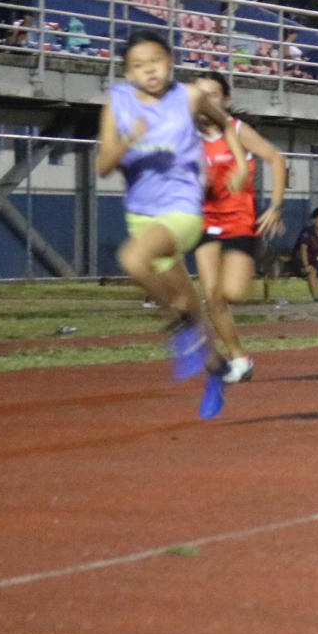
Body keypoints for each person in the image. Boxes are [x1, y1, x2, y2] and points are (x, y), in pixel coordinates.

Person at [95, 30, 247, 419]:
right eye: (139, 66)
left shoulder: (190, 96)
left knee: (131, 261)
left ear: (170, 60)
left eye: (156, 62)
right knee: (183, 301)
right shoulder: (118, 101)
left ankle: (181, 333)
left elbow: (228, 125)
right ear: (128, 71)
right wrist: (130, 137)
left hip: (181, 211)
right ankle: (215, 367)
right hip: (141, 213)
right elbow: (103, 166)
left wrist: (241, 163)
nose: (150, 71)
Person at [192, 71, 287, 382]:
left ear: (225, 100)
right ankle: (239, 358)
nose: (204, 101)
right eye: (199, 94)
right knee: (211, 295)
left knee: (232, 292)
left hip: (239, 222)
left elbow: (274, 158)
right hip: (207, 222)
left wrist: (274, 206)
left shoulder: (236, 130)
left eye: (212, 95)